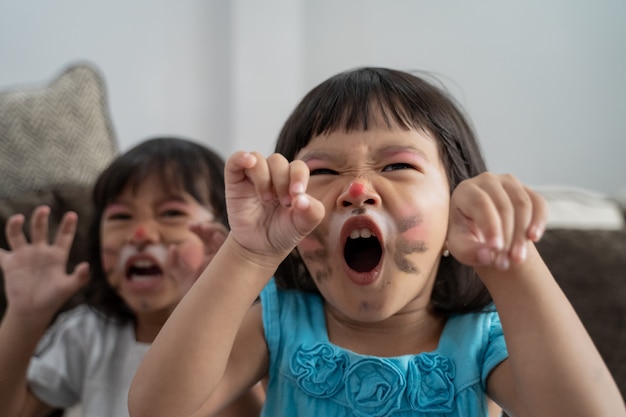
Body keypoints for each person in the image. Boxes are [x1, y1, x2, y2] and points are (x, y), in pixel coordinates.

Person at [128, 69, 626, 417]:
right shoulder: (280, 324)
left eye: (397, 165)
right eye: (322, 171)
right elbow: (157, 408)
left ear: (455, 212)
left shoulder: (482, 342)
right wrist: (248, 253)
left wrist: (507, 260)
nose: (357, 188)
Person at [0, 137, 264, 417]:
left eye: (171, 213)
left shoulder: (251, 331)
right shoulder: (88, 332)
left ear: (226, 232)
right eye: (121, 217)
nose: (141, 235)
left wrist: (211, 299)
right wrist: (25, 317)